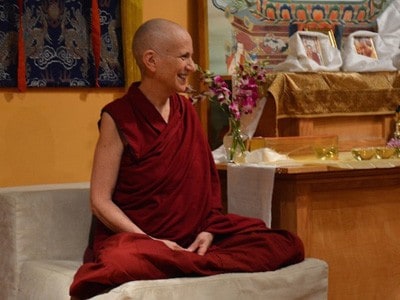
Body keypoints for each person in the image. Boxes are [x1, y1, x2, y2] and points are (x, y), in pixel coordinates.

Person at [69, 18, 304, 299]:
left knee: (284, 243)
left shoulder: (186, 112)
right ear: (151, 61)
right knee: (119, 260)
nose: (192, 67)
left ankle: (187, 258)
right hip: (142, 240)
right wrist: (152, 241)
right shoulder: (118, 116)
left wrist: (210, 231)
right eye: (184, 57)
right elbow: (100, 201)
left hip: (193, 237)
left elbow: (206, 189)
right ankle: (181, 259)